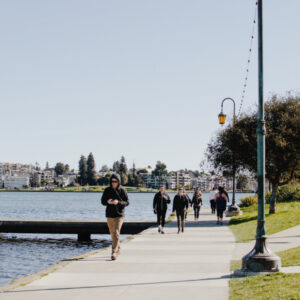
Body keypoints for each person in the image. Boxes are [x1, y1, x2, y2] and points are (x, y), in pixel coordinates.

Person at [101, 173, 129, 260]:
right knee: (113, 234)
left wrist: (118, 203)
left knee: (116, 233)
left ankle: (114, 252)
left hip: (119, 215)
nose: (113, 183)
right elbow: (102, 201)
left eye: (115, 181)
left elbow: (127, 202)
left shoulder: (122, 190)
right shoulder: (107, 190)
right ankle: (118, 247)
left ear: (118, 181)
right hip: (109, 215)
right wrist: (108, 202)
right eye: (112, 181)